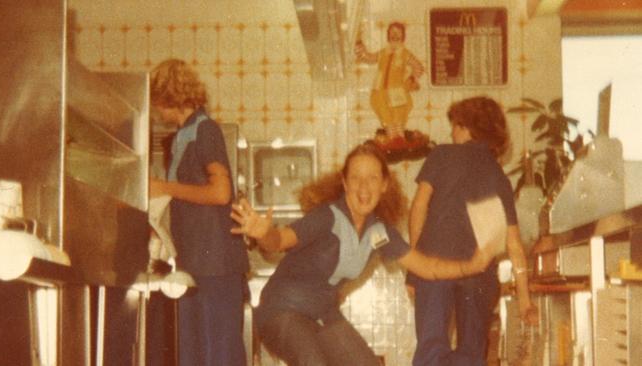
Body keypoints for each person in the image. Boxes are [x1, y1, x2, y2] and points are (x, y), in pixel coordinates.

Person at [230, 142, 504, 366]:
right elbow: (279, 240)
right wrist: (262, 233)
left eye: (373, 178)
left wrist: (472, 266)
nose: (364, 187)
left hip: (323, 314)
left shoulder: (378, 232)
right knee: (312, 362)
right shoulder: (327, 217)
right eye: (356, 178)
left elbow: (426, 267)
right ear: (344, 183)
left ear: (385, 185)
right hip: (282, 312)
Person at [407, 96, 538, 366]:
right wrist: (525, 300)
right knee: (471, 354)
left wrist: (415, 267)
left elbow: (418, 208)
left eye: (455, 126)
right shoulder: (497, 174)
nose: (452, 132)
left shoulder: (441, 154)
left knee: (431, 348)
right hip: (478, 274)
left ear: (467, 127)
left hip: (435, 265)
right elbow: (513, 242)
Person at [149, 59, 248, 366]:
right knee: (196, 355)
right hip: (197, 264)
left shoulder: (205, 131)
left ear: (169, 98)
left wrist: (165, 188)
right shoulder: (182, 137)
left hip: (215, 266)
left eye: (157, 103)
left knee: (216, 355)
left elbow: (220, 192)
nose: (156, 112)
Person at [355, 21, 425, 143]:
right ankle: (392, 141)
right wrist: (360, 46)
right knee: (386, 118)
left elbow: (419, 67)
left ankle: (399, 140)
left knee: (398, 118)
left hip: (397, 91)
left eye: (398, 33)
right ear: (388, 35)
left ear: (403, 36)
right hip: (380, 91)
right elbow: (367, 58)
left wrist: (411, 80)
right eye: (392, 33)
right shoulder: (383, 53)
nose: (395, 35)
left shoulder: (405, 54)